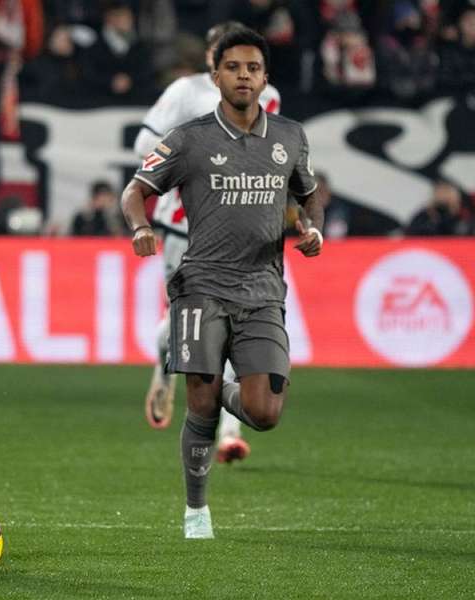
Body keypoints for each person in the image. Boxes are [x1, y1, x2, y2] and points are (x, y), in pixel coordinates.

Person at [120, 27, 324, 539]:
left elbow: (309, 192)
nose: (243, 77)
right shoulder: (189, 138)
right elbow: (133, 191)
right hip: (201, 287)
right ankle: (196, 512)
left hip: (262, 291)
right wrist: (142, 226)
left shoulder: (289, 137)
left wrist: (311, 225)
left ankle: (215, 384)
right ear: (216, 77)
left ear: (265, 79)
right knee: (202, 406)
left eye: (253, 69)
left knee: (265, 413)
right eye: (233, 68)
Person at [133, 21, 281, 465]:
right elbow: (144, 141)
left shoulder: (268, 98)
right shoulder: (186, 92)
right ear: (211, 58)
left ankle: (230, 432)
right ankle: (165, 367)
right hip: (184, 225)